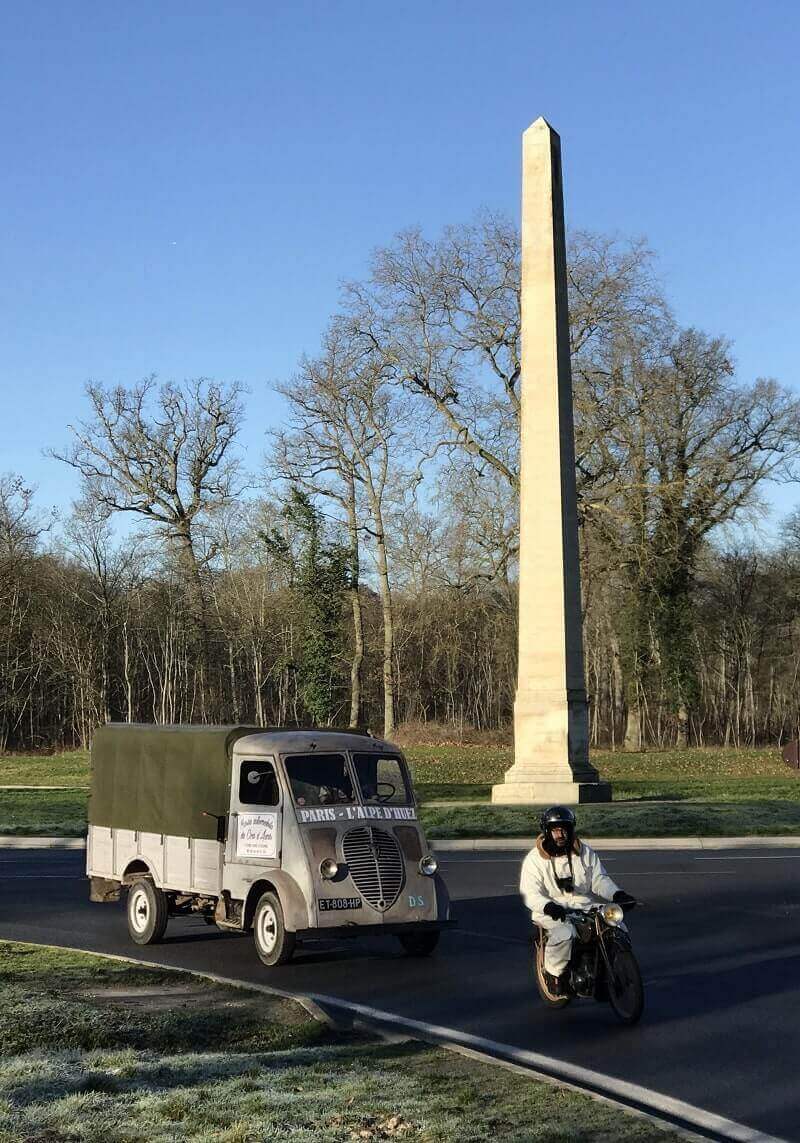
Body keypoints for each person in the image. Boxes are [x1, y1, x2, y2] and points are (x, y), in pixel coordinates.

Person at [520, 805, 637, 996]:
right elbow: (530, 893)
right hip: (550, 909)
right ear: (547, 831)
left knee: (615, 923)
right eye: (556, 830)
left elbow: (599, 879)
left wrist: (618, 895)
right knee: (566, 933)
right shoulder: (534, 859)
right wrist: (548, 906)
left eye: (564, 829)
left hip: (583, 904)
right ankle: (555, 974)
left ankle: (609, 969)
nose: (561, 835)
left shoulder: (584, 852)